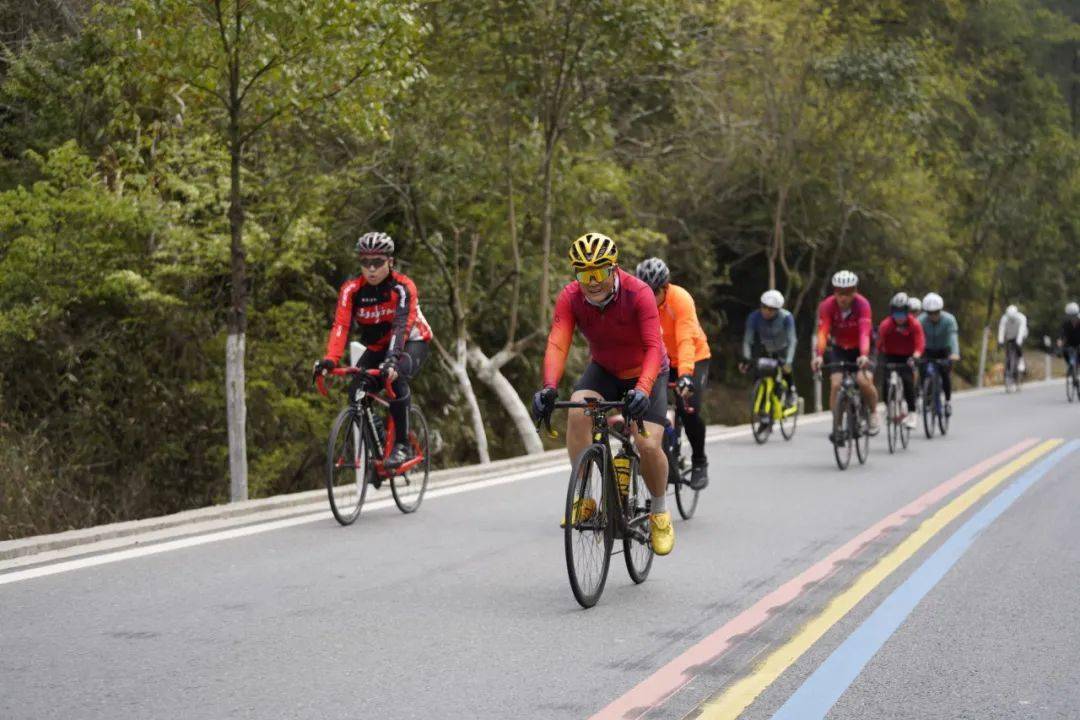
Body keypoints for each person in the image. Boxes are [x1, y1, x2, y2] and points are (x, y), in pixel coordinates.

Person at [531, 233, 674, 556]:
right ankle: (585, 498)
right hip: (605, 370)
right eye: (585, 274)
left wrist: (643, 389)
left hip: (647, 370)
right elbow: (558, 342)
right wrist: (549, 386)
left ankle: (660, 512)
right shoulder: (571, 297)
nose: (593, 282)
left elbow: (654, 347)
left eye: (599, 272)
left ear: (614, 269)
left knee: (647, 444)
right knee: (577, 410)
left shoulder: (639, 293)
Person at [313, 232, 432, 468]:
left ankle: (402, 445)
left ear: (390, 262)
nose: (371, 269)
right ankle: (378, 447)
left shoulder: (403, 287)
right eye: (365, 262)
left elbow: (401, 326)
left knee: (395, 379)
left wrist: (392, 360)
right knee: (356, 390)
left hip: (413, 340)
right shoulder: (351, 290)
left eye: (377, 262)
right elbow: (341, 325)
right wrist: (331, 359)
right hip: (379, 346)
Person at [635, 257, 712, 490]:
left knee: (688, 408)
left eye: (654, 292)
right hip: (661, 361)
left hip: (693, 358)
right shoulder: (637, 301)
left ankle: (699, 461)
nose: (650, 297)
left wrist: (686, 375)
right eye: (646, 291)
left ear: (665, 288)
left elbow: (685, 339)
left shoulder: (680, 299)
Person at [811, 270, 880, 436]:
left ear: (855, 291)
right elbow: (823, 332)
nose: (843, 297)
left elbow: (864, 332)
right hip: (841, 348)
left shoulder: (862, 304)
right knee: (836, 384)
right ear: (834, 292)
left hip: (864, 348)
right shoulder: (827, 305)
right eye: (840, 293)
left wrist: (864, 354)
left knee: (863, 381)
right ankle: (837, 425)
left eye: (848, 293)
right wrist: (819, 355)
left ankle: (873, 413)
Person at [740, 289, 798, 405]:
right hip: (766, 348)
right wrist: (746, 359)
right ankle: (759, 399)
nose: (766, 311)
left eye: (771, 309)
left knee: (786, 369)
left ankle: (791, 391)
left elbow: (792, 340)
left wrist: (788, 361)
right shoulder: (754, 317)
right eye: (764, 307)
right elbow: (747, 340)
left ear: (778, 310)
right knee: (757, 369)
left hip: (783, 349)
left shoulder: (786, 317)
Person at [878, 293, 925, 430]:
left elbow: (920, 342)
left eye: (902, 313)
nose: (899, 317)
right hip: (890, 355)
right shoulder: (886, 324)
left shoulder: (914, 324)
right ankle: (889, 407)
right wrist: (878, 357)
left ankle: (912, 413)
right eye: (896, 313)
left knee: (908, 381)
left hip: (908, 356)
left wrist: (916, 355)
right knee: (886, 381)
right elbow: (879, 343)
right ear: (892, 312)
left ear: (907, 312)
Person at [918, 292, 959, 415]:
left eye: (936, 312)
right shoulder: (921, 320)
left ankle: (947, 401)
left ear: (940, 310)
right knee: (922, 369)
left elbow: (953, 337)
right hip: (927, 350)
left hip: (944, 350)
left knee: (945, 374)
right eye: (930, 313)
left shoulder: (949, 320)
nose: (933, 316)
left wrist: (954, 353)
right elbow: (917, 338)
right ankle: (925, 393)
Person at [997, 304, 1028, 375]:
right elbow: (1001, 329)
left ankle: (1021, 362)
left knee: (1018, 347)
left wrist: (1018, 342)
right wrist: (1000, 341)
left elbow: (1021, 330)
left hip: (1021, 334)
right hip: (1010, 335)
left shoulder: (1022, 318)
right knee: (1008, 349)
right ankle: (1008, 364)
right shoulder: (1004, 318)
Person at [1057, 302, 1080, 374]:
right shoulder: (1066, 323)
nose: (1073, 318)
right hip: (1069, 344)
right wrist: (1060, 341)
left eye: (1074, 315)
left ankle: (1077, 366)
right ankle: (1070, 366)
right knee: (1064, 352)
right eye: (1070, 316)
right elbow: (1062, 333)